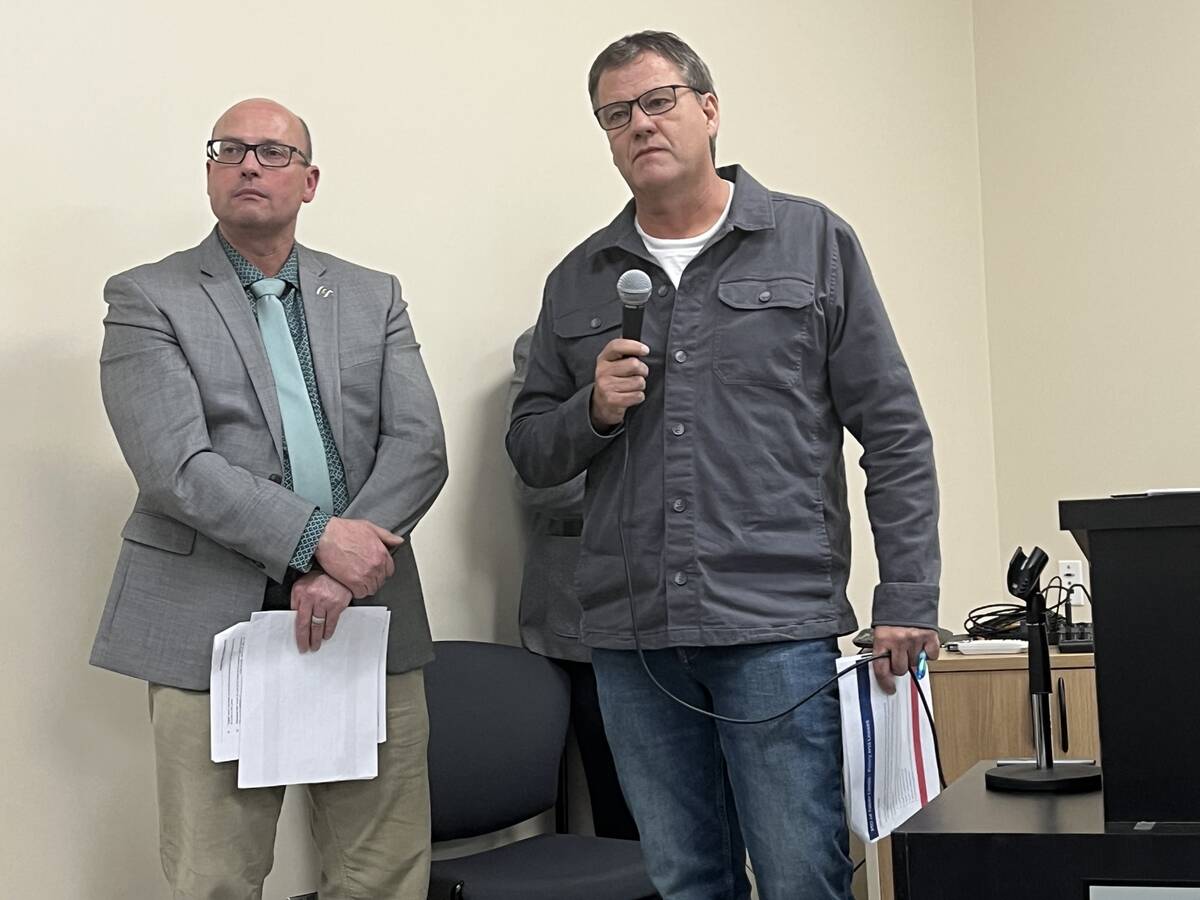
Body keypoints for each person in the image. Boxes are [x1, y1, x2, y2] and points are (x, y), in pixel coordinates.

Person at [506, 32, 941, 900]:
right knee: (683, 878)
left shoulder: (811, 242)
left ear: (708, 108)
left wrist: (907, 599)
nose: (640, 125)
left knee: (799, 874)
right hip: (632, 636)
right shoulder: (580, 279)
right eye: (616, 114)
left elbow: (892, 429)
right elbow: (529, 449)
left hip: (773, 625)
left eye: (658, 102)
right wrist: (589, 411)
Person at [90, 98, 447, 900]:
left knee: (382, 869)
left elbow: (419, 445)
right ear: (211, 172)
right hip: (206, 617)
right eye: (229, 150)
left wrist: (346, 566)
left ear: (310, 180)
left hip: (368, 611)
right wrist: (319, 538)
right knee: (216, 873)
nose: (249, 164)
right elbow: (176, 465)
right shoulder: (148, 296)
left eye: (273, 152)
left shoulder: (372, 293)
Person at [506, 326, 638, 840]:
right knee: (626, 827)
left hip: (717, 615)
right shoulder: (549, 344)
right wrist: (661, 484)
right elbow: (539, 486)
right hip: (591, 625)